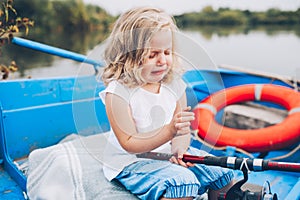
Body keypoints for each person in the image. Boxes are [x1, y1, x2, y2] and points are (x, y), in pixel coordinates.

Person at [99, 7, 234, 200]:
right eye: (152, 54)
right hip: (130, 161)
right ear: (127, 56)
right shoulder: (118, 92)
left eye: (167, 52)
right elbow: (129, 143)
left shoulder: (175, 85)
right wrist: (169, 132)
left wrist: (179, 149)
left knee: (222, 174)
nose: (162, 61)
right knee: (182, 183)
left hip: (166, 153)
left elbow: (182, 130)